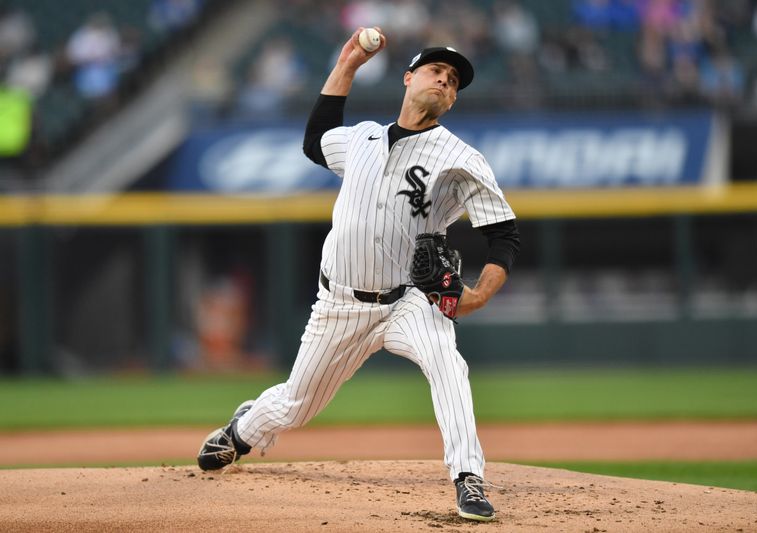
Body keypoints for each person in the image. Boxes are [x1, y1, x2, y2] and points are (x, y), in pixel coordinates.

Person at [197, 28, 521, 523]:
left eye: (454, 82)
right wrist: (348, 62)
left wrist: (477, 296)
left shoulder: (460, 158)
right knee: (294, 406)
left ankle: (468, 478)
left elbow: (504, 235)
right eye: (437, 72)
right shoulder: (364, 138)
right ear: (409, 79)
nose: (445, 83)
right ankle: (242, 432)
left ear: (453, 100)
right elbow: (314, 140)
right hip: (340, 305)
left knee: (447, 365)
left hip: (409, 300)